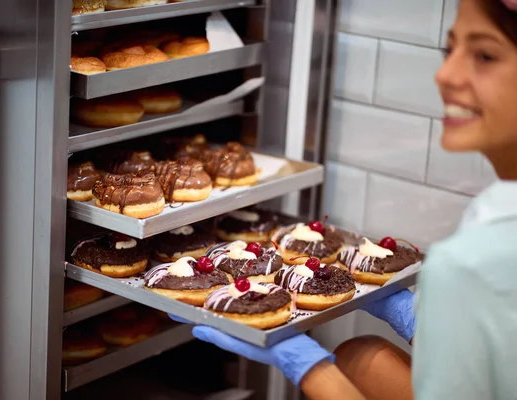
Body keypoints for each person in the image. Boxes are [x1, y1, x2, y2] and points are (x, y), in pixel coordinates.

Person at [172, 0, 517, 398]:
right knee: (360, 357)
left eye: (485, 55)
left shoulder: (472, 264)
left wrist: (307, 366)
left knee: (345, 366)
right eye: (449, 48)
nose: (444, 74)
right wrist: (428, 328)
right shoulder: (491, 223)